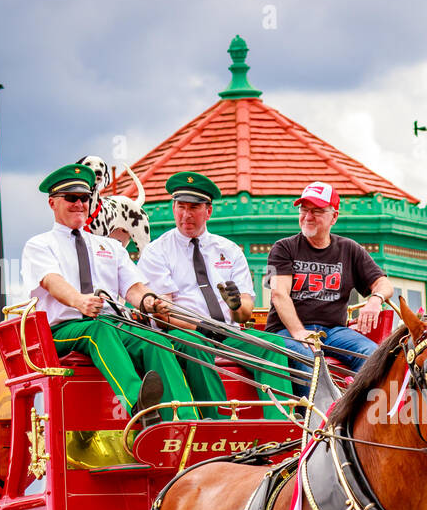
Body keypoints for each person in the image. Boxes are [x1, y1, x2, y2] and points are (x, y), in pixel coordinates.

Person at [21, 162, 205, 423]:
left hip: (110, 323)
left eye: (84, 198)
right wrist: (80, 301)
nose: (79, 204)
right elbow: (52, 281)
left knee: (157, 341)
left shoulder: (109, 246)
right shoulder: (39, 245)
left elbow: (134, 288)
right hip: (61, 330)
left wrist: (150, 302)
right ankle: (140, 407)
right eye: (71, 198)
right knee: (100, 331)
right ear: (53, 203)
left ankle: (185, 419)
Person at [136, 171, 296, 419]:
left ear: (208, 211)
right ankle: (217, 424)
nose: (186, 214)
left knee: (273, 346)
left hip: (227, 331)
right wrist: (202, 327)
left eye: (194, 207)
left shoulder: (229, 249)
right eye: (181, 207)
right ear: (173, 207)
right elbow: (163, 312)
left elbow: (245, 313)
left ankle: (282, 423)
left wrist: (235, 305)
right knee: (196, 346)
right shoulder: (157, 251)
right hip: (184, 331)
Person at [264, 181, 392, 391]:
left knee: (373, 355)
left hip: (333, 332)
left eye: (317, 211)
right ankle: (313, 420)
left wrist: (375, 299)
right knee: (306, 356)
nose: (308, 216)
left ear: (334, 217)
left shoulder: (349, 249)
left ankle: (355, 417)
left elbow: (384, 283)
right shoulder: (283, 247)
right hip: (286, 331)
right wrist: (298, 331)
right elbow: (279, 294)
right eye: (304, 210)